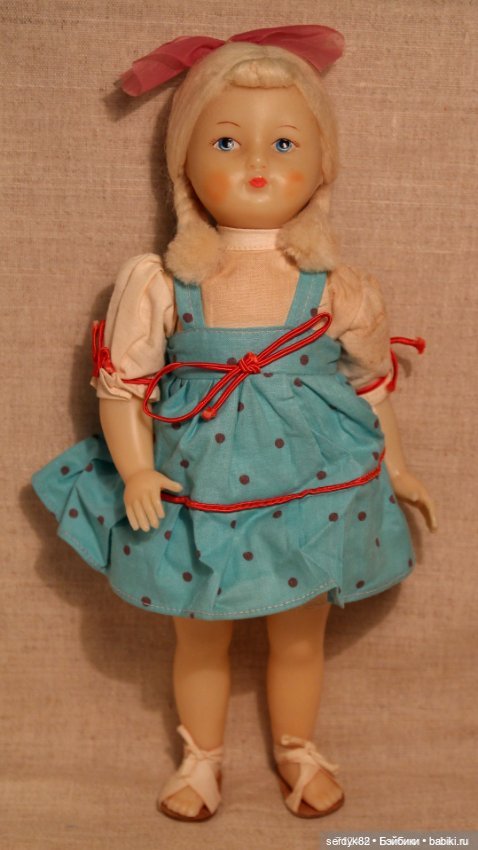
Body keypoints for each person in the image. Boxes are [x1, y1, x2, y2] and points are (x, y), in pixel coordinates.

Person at [32, 26, 437, 822]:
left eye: (285, 143)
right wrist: (136, 467)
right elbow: (124, 386)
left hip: (312, 482)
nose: (258, 164)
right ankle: (202, 756)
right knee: (198, 631)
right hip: (200, 484)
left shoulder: (336, 284)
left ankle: (296, 749)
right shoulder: (161, 280)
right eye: (225, 141)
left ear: (322, 163)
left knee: (300, 633)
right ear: (183, 162)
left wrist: (398, 465)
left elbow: (369, 384)